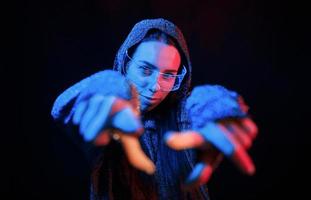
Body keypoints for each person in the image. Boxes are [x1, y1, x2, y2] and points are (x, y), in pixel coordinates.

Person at [51, 18, 258, 200]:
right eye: (145, 69)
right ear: (125, 63)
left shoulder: (181, 121)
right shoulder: (108, 121)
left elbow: (198, 110)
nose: (155, 86)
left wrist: (216, 108)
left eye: (168, 75)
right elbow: (64, 108)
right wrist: (109, 86)